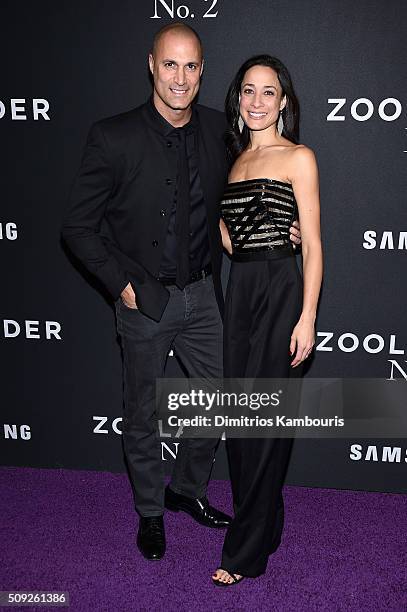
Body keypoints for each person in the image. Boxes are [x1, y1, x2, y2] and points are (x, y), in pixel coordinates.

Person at [61, 25, 302, 562]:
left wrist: (285, 227)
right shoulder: (113, 135)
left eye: (191, 67)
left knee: (219, 404)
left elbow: (250, 191)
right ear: (151, 65)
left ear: (202, 71)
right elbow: (77, 227)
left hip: (205, 298)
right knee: (143, 412)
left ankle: (186, 490)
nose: (180, 78)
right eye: (170, 65)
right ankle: (150, 512)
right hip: (144, 300)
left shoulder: (222, 131)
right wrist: (124, 286)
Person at [212, 55, 323, 586]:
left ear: (285, 101)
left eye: (268, 92)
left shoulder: (299, 158)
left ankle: (243, 552)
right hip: (242, 293)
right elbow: (230, 239)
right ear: (238, 100)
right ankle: (267, 524)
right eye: (248, 91)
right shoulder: (231, 163)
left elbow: (316, 244)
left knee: (267, 422)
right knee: (240, 420)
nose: (257, 102)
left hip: (282, 290)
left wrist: (308, 316)